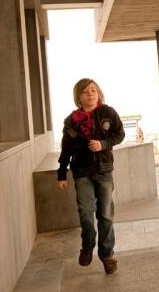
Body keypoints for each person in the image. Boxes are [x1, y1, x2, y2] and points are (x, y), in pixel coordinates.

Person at [57, 78, 125, 274]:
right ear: (79, 96)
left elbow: (119, 134)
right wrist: (62, 174)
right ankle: (88, 244)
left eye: (94, 90)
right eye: (86, 91)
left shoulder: (107, 113)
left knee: (105, 215)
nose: (91, 94)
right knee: (86, 213)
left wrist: (103, 144)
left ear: (98, 93)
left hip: (104, 171)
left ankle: (107, 255)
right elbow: (66, 149)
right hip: (82, 172)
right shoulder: (71, 122)